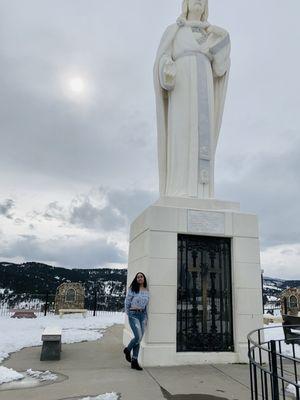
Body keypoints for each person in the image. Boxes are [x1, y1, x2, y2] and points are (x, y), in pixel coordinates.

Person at [154, 0, 231, 199]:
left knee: (200, 135)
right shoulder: (175, 31)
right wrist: (167, 69)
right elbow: (162, 59)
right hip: (182, 87)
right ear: (185, 4)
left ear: (206, 6)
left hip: (204, 89)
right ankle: (178, 189)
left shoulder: (210, 34)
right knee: (181, 132)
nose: (198, 1)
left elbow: (220, 69)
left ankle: (201, 191)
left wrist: (224, 37)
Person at [123, 272, 149, 371]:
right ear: (136, 279)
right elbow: (127, 302)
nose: (139, 278)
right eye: (138, 277)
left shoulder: (146, 290)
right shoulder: (132, 289)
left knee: (139, 340)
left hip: (142, 316)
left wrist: (146, 318)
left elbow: (146, 305)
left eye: (141, 276)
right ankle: (127, 350)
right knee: (138, 337)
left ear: (144, 279)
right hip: (133, 314)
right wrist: (128, 313)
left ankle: (134, 361)